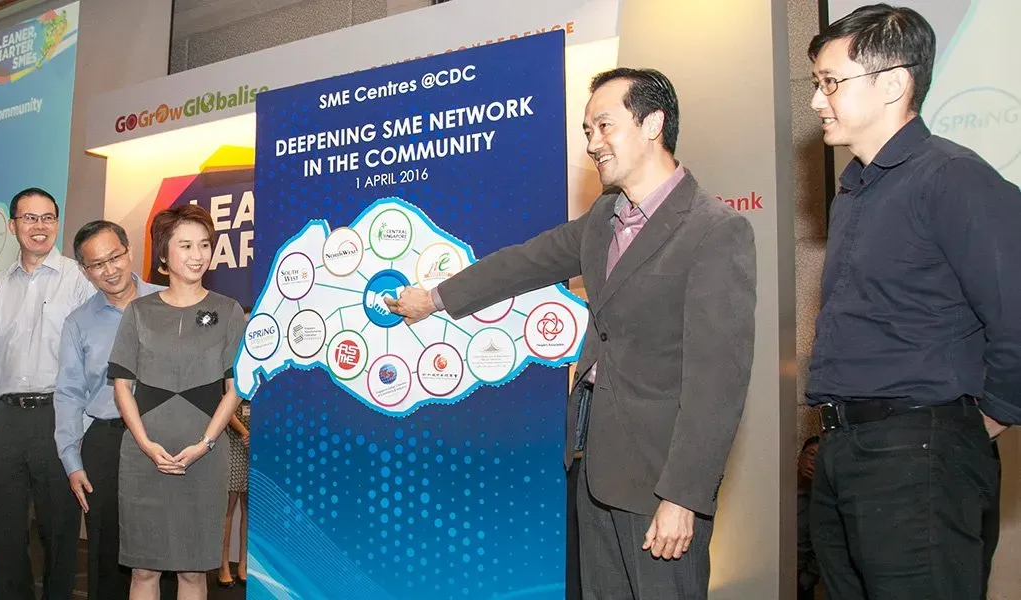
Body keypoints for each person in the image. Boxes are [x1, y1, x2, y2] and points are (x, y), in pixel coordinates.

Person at [386, 67, 757, 598]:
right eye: (587, 131)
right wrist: (436, 299)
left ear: (653, 124)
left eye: (603, 126)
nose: (592, 144)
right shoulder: (605, 217)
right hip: (594, 464)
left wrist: (684, 496)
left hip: (661, 483)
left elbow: (718, 384)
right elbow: (523, 262)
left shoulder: (715, 230)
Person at [805, 5, 1020, 599]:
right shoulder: (854, 191)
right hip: (845, 449)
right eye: (816, 85)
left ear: (894, 83)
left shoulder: (954, 178)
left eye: (830, 83)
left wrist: (984, 419)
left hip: (918, 454)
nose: (818, 102)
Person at [0, 187, 94, 600]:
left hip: (61, 415)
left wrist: (81, 425)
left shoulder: (79, 279)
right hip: (9, 419)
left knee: (60, 532)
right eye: (30, 218)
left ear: (58, 222)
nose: (40, 227)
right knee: (4, 531)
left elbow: (96, 357)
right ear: (11, 225)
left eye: (48, 217)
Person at [108, 204, 244, 599]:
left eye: (204, 244)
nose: (198, 254)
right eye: (185, 245)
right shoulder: (138, 311)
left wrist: (204, 444)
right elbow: (121, 385)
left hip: (204, 457)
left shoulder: (228, 310)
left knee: (193, 571)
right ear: (164, 254)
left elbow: (234, 388)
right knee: (143, 570)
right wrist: (147, 445)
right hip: (143, 455)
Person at [54, 221, 164, 600]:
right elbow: (68, 393)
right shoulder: (78, 322)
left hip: (166, 436)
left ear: (129, 251)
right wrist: (72, 461)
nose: (109, 269)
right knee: (107, 549)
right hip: (106, 443)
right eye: (96, 264)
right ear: (84, 271)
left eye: (114, 256)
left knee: (165, 545)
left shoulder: (170, 302)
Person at [219, 308, 251, 589]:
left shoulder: (266, 361)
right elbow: (223, 406)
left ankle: (244, 564)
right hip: (232, 440)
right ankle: (221, 566)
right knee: (227, 508)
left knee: (250, 510)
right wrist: (244, 432)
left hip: (257, 446)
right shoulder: (228, 360)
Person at [796, 436, 820, 600]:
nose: (813, 463)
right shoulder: (781, 490)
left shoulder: (824, 501)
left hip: (802, 578)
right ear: (800, 457)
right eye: (811, 455)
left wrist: (807, 579)